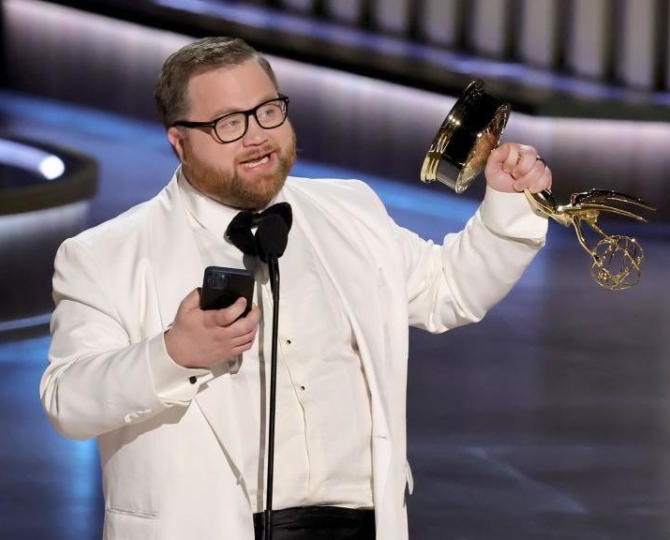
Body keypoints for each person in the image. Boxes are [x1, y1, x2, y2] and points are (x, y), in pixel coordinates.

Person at [42, 36, 551, 540]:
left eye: (268, 111)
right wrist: (173, 354)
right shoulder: (105, 255)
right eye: (228, 123)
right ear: (179, 141)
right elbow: (68, 399)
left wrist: (505, 210)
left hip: (360, 525)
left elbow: (449, 289)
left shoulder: (351, 210)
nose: (257, 136)